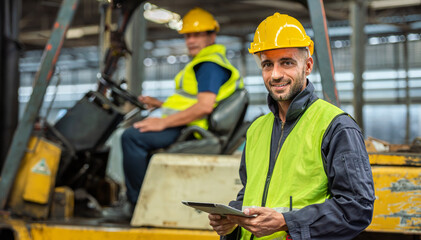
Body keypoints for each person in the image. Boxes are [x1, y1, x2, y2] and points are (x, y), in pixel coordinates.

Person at [208, 13, 375, 240]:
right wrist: (232, 221)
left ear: (307, 66)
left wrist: (287, 223)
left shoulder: (336, 126)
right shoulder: (256, 130)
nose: (276, 74)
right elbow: (249, 193)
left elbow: (357, 208)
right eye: (267, 64)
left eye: (286, 62)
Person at [121, 7, 243, 207]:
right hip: (187, 123)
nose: (190, 40)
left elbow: (204, 106)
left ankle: (136, 205)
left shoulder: (209, 65)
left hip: (192, 128)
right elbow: (192, 99)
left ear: (212, 35)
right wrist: (160, 104)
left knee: (131, 138)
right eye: (187, 36)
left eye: (197, 35)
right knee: (136, 132)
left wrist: (163, 123)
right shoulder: (207, 62)